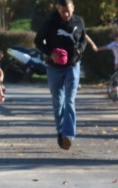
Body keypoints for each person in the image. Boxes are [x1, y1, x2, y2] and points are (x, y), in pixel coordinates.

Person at [34, 0, 87, 151]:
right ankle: (60, 132)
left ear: (73, 8)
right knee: (59, 102)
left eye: (68, 11)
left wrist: (80, 50)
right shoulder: (50, 23)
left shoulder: (79, 21)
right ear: (58, 9)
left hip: (72, 66)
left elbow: (83, 40)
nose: (66, 14)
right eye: (63, 11)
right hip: (54, 68)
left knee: (69, 101)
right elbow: (37, 41)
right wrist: (50, 53)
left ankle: (68, 135)